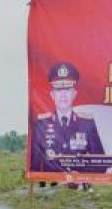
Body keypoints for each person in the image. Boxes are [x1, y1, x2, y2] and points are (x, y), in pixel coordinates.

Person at [30, 62, 104, 190]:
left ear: (74, 93)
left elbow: (100, 161)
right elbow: (35, 163)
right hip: (51, 189)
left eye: (68, 89)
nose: (63, 94)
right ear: (52, 95)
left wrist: (81, 176)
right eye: (58, 89)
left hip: (80, 188)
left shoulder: (87, 123)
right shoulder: (41, 124)